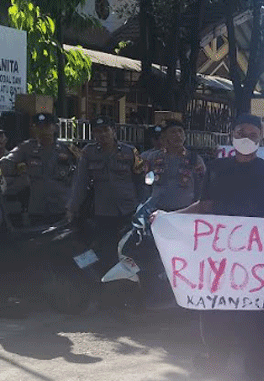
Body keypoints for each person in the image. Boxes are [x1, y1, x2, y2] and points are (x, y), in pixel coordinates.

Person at [158, 113, 264, 380]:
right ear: (232, 135)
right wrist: (170, 217)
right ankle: (215, 360)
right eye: (241, 133)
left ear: (261, 137)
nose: (246, 138)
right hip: (219, 254)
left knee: (258, 312)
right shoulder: (216, 168)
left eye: (252, 134)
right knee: (216, 309)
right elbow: (204, 207)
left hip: (255, 257)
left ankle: (257, 366)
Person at [67, 115, 144, 270]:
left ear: (113, 131)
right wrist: (72, 208)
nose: (102, 135)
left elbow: (141, 182)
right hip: (103, 211)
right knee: (105, 249)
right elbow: (80, 183)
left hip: (128, 209)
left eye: (105, 130)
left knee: (130, 248)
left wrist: (143, 208)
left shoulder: (130, 152)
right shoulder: (88, 153)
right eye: (97, 131)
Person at [0, 113, 77, 226]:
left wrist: (73, 207)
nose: (43, 130)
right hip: (37, 209)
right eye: (39, 126)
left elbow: (79, 179)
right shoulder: (26, 148)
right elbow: (5, 163)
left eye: (46, 126)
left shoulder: (67, 150)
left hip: (62, 208)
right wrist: (16, 171)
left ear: (54, 127)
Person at [142, 119, 205, 210]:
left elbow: (202, 185)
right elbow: (146, 184)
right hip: (157, 211)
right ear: (164, 136)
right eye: (173, 132)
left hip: (184, 212)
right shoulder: (153, 158)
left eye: (180, 131)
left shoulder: (194, 159)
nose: (178, 135)